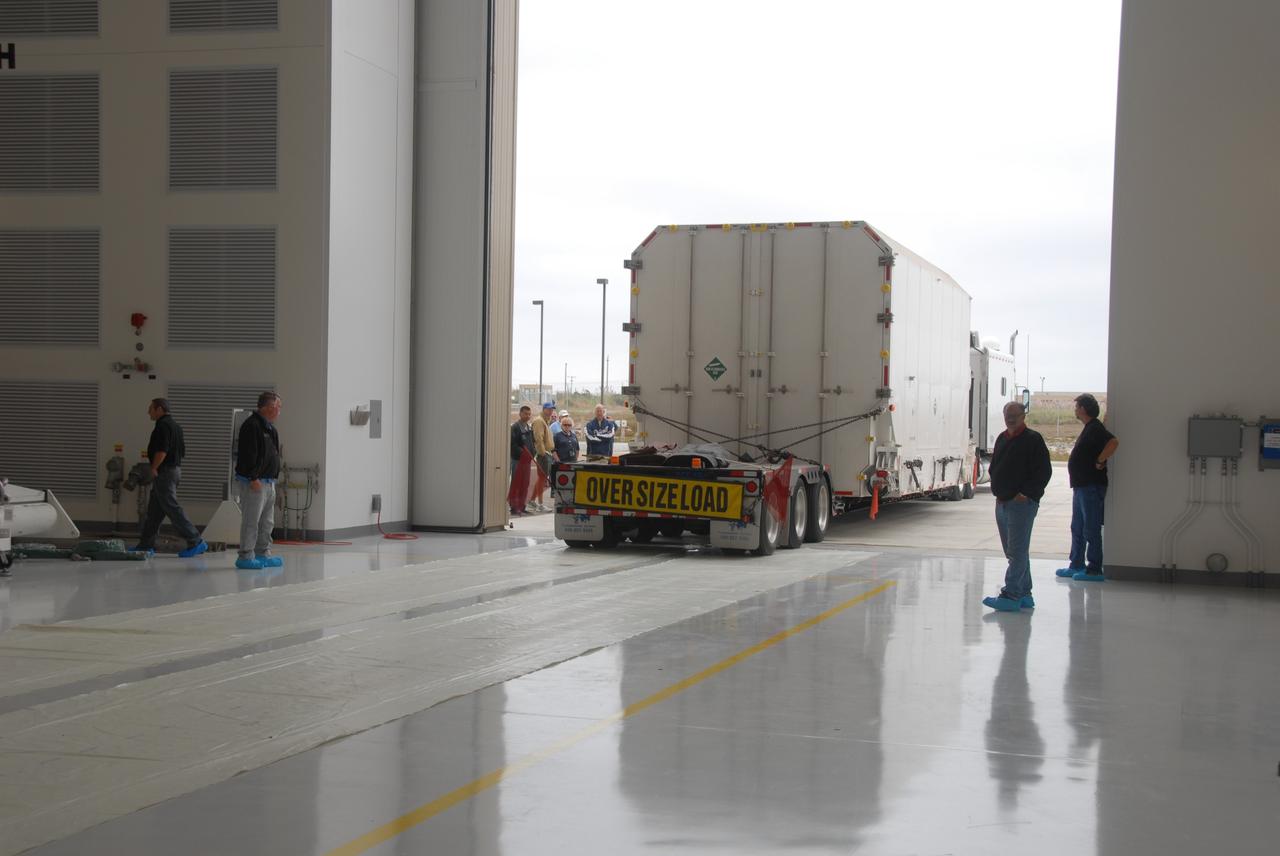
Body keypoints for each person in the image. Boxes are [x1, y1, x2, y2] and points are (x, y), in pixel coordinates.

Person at [984, 401, 1052, 612]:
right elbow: (995, 467)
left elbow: (1044, 472)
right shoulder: (1002, 438)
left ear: (1023, 416)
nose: (1011, 419)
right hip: (1003, 502)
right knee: (1014, 551)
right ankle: (1024, 594)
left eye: (1015, 415)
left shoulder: (1033, 439)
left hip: (1021, 504)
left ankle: (1011, 594)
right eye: (1008, 415)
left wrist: (1026, 494)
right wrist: (998, 491)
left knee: (1017, 551)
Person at [133, 398, 208, 557]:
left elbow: (162, 450)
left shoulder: (162, 426)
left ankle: (196, 540)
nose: (148, 412)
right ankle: (146, 545)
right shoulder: (176, 427)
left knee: (172, 508)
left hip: (165, 472)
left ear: (159, 409)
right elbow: (182, 451)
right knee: (154, 512)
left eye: (151, 408)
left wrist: (154, 467)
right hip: (174, 470)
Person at [1057, 393, 1118, 582]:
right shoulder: (1089, 428)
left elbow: (1113, 442)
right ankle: (1076, 564)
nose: (1075, 410)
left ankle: (1094, 569)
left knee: (1090, 528)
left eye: (1077, 407)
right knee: (1077, 526)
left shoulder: (1095, 428)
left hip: (1091, 486)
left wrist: (1100, 461)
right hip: (1081, 486)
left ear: (1083, 409)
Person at [235, 392, 284, 571]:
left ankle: (263, 553)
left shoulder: (270, 429)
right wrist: (253, 477)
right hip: (254, 483)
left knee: (267, 522)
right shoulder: (252, 425)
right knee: (251, 521)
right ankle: (245, 555)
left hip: (269, 482)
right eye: (278, 407)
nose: (279, 411)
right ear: (269, 407)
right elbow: (248, 454)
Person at [530, 401, 557, 511]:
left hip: (547, 453)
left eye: (552, 409)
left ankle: (532, 500)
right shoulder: (539, 421)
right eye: (549, 409)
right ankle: (540, 504)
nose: (551, 411)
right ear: (544, 409)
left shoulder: (545, 421)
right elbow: (538, 439)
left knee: (542, 478)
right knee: (542, 479)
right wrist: (542, 453)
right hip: (544, 454)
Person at [509, 404, 536, 478]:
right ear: (520, 414)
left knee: (525, 481)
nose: (528, 416)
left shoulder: (529, 428)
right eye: (525, 414)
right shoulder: (515, 427)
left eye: (529, 414)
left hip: (527, 461)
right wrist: (523, 454)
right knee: (517, 481)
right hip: (517, 460)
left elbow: (533, 442)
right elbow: (513, 444)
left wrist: (533, 453)